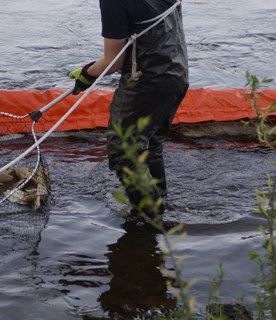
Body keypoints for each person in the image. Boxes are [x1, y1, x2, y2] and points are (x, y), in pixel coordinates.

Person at [69, 0, 189, 219]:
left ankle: (149, 216)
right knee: (150, 143)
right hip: (177, 75)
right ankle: (159, 203)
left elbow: (113, 62)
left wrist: (87, 73)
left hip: (146, 83)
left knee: (123, 150)